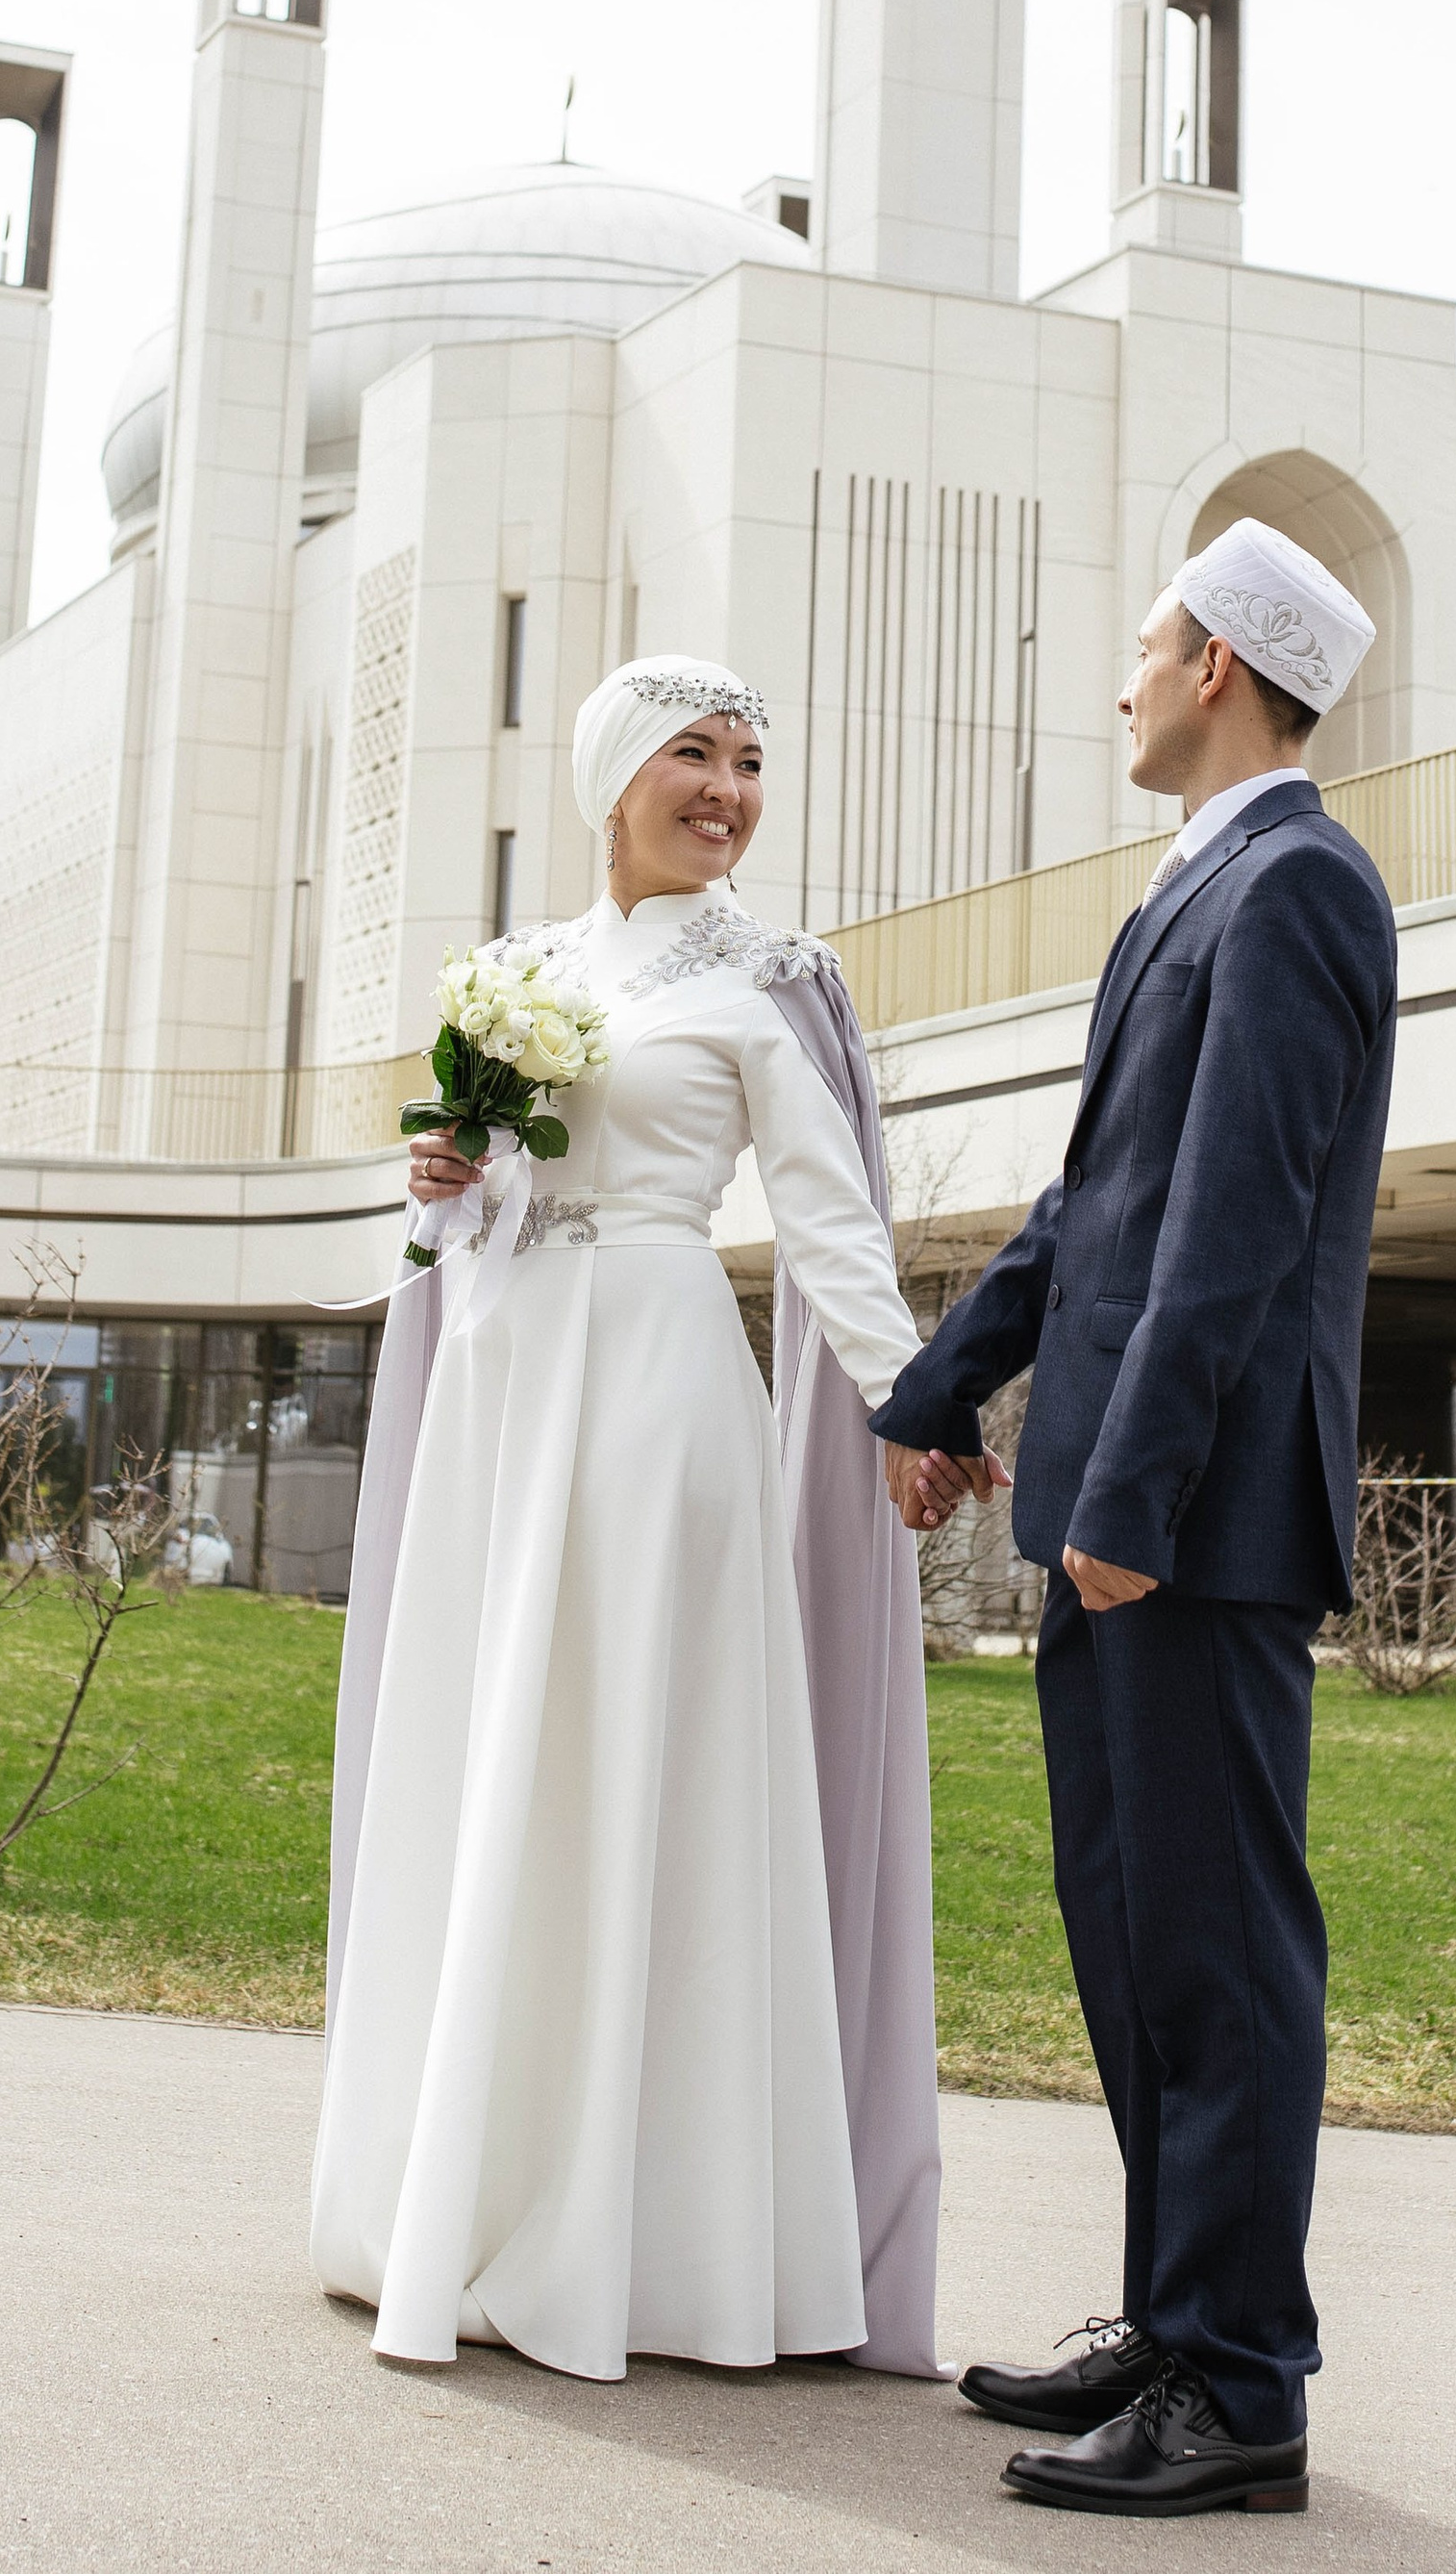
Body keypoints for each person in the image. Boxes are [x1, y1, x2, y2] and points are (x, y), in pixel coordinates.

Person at [311, 653, 941, 2385]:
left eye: (750, 763)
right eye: (694, 755)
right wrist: (445, 1178)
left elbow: (828, 1225)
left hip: (665, 1396)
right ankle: (469, 2192)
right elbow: (469, 1216)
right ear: (613, 777)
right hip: (511, 1407)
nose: (728, 790)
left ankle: (657, 2231)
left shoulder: (771, 980)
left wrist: (912, 1406)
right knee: (496, 1758)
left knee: (649, 1773)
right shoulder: (504, 981)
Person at [870, 521, 1398, 2519]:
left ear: (1219, 673)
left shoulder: (1295, 891)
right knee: (1128, 1937)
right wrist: (938, 1393)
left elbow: (1238, 1228)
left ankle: (1240, 2387)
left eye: (1146, 643)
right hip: (1111, 1498)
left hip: (1178, 1515)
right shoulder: (1197, 891)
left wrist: (1139, 1488)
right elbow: (1095, 1215)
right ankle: (1172, 2317)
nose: (1120, 676)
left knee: (1218, 1951)